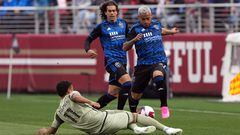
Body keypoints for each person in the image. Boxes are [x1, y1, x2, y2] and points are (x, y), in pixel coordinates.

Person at [36, 80, 183, 135]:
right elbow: (75, 96)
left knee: (120, 112)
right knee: (134, 115)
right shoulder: (72, 94)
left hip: (95, 130)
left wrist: (42, 132)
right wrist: (91, 102)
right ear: (69, 89)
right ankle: (167, 129)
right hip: (103, 122)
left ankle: (137, 129)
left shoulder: (58, 113)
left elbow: (51, 131)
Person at [123, 6, 179, 119]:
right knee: (135, 95)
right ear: (139, 17)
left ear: (151, 16)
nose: (146, 21)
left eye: (147, 18)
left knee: (158, 76)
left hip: (159, 60)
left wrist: (171, 32)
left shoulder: (156, 24)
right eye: (143, 19)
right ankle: (133, 117)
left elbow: (161, 30)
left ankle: (164, 106)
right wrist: (134, 40)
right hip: (143, 65)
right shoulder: (134, 29)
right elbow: (125, 47)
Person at [84, 0, 131, 110]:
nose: (112, 13)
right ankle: (120, 113)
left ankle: (92, 109)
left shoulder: (123, 24)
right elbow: (88, 39)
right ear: (105, 12)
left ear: (117, 12)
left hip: (123, 61)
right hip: (111, 61)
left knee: (113, 93)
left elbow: (130, 39)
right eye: (109, 11)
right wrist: (88, 50)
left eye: (114, 11)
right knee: (128, 83)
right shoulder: (102, 27)